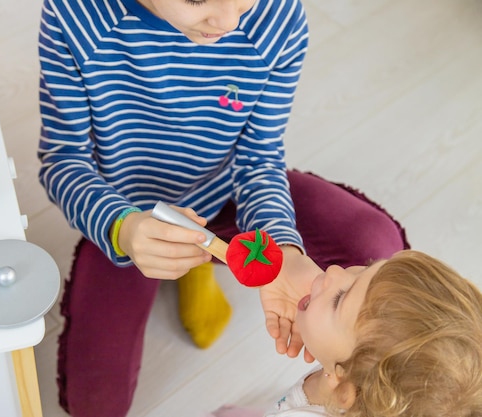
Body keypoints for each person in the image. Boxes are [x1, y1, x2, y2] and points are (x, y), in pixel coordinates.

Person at [36, 0, 408, 415]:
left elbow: (258, 158)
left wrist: (280, 247)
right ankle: (190, 264)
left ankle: (198, 263)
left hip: (228, 192)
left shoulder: (278, 19)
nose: (230, 22)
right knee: (94, 404)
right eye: (198, 0)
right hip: (131, 213)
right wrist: (121, 228)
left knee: (378, 246)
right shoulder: (76, 16)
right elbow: (64, 161)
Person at [206, 250, 482, 417]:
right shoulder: (360, 377)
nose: (334, 271)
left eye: (339, 299)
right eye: (367, 266)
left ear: (346, 390)